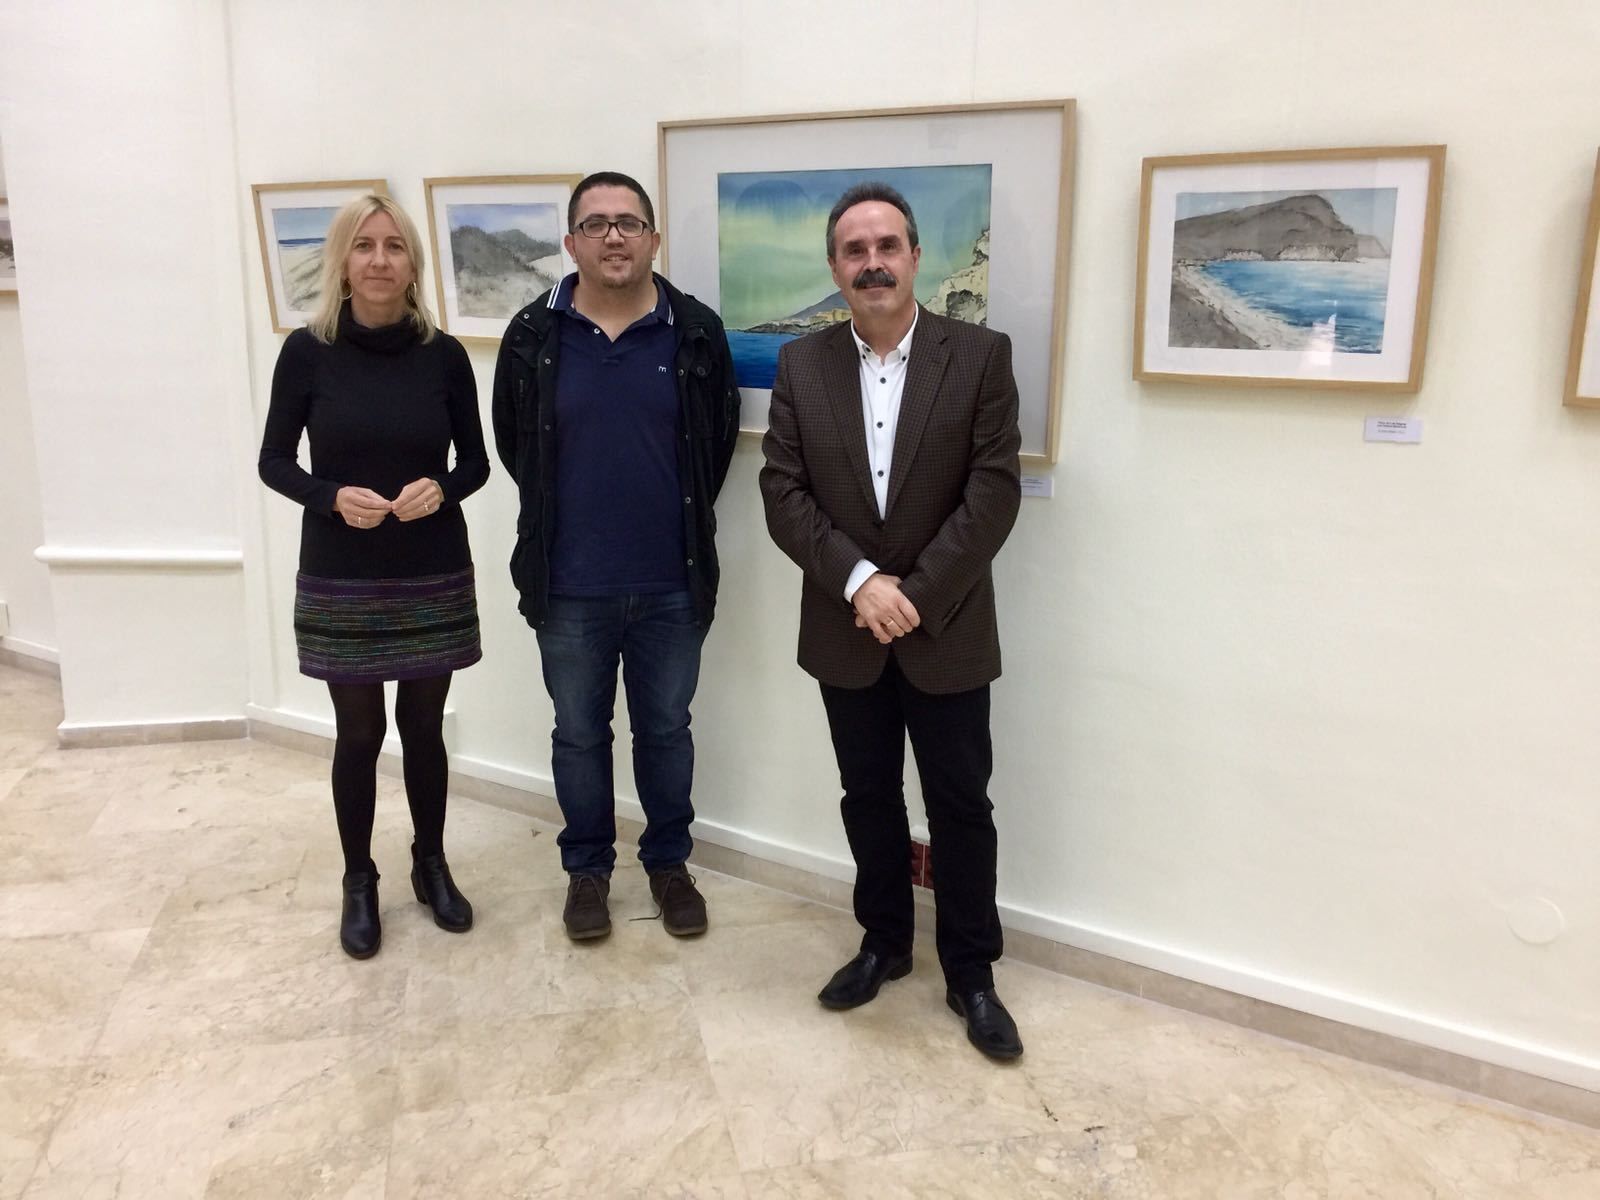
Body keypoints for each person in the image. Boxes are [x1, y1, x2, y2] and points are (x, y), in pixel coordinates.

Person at [759, 182, 1025, 1059]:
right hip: (846, 629)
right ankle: (883, 943)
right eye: (853, 249)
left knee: (960, 807)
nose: (871, 262)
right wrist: (862, 582)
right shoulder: (803, 367)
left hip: (946, 629)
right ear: (835, 268)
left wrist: (912, 594)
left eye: (886, 245)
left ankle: (972, 973)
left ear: (915, 257)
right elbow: (782, 493)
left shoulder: (981, 356)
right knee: (867, 798)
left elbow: (993, 492)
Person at [491, 171, 739, 942]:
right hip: (568, 586)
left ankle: (668, 865)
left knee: (666, 730)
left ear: (654, 239)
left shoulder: (695, 330)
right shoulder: (533, 336)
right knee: (577, 733)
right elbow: (513, 443)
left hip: (672, 581)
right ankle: (588, 873)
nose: (613, 237)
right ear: (571, 243)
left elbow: (716, 445)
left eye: (628, 223)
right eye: (595, 225)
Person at [259, 193, 489, 960]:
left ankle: (431, 863)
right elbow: (274, 460)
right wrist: (328, 497)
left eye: (395, 246)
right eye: (365, 246)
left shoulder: (444, 355)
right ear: (342, 261)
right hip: (342, 570)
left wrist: (442, 489)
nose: (381, 260)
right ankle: (360, 879)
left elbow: (477, 464)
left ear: (414, 263)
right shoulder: (308, 352)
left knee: (424, 727)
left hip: (430, 568)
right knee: (358, 733)